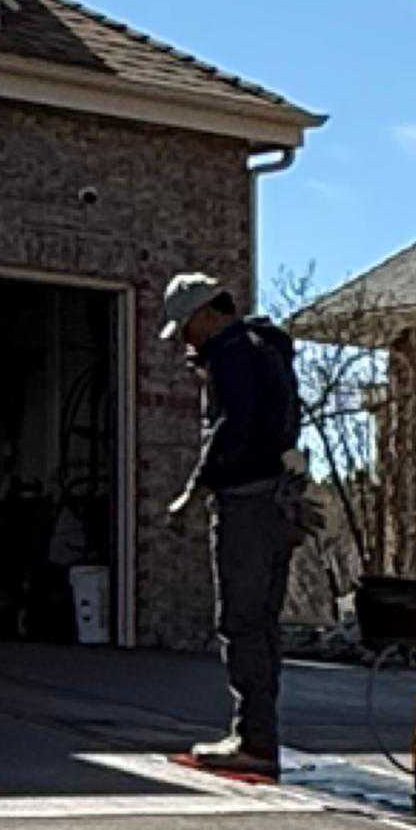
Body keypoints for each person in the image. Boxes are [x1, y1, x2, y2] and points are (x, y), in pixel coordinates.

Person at [163, 270, 303, 774]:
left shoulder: (232, 354)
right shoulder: (267, 349)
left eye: (186, 327)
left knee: (240, 621)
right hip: (278, 502)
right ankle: (259, 734)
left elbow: (231, 427)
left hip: (245, 503)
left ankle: (254, 741)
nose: (186, 340)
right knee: (262, 622)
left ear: (206, 314)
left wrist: (194, 490)